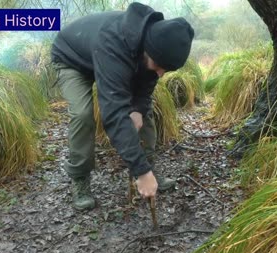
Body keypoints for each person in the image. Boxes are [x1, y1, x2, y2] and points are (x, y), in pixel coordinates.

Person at [51, 2, 194, 210]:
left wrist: (137, 109)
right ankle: (80, 178)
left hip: (107, 57)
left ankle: (149, 166)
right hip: (72, 59)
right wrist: (140, 172)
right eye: (160, 66)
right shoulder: (114, 43)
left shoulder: (154, 43)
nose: (162, 74)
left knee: (144, 113)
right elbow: (114, 112)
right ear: (149, 50)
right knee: (82, 114)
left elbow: (145, 88)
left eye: (166, 69)